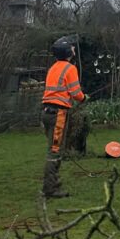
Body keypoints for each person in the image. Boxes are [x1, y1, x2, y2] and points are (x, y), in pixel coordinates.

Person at [40, 36, 87, 198]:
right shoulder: (70, 69)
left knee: (54, 149)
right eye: (72, 47)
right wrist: (84, 98)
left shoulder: (53, 67)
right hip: (58, 113)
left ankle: (53, 183)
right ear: (67, 51)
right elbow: (76, 93)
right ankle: (50, 189)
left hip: (46, 112)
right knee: (55, 152)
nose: (74, 49)